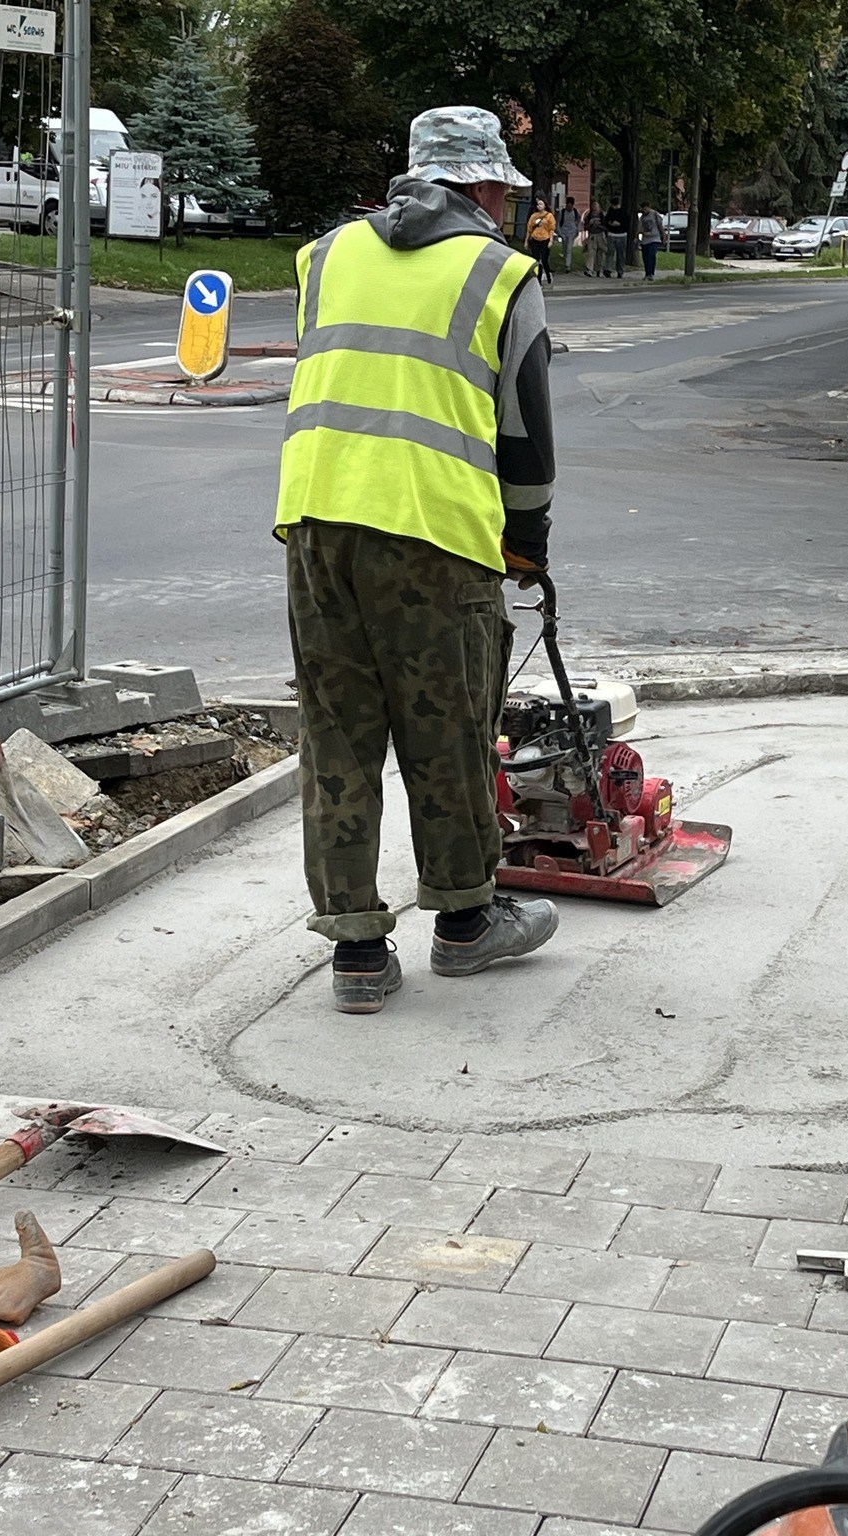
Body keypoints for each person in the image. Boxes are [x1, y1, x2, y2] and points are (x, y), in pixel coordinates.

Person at [276, 105, 562, 1014]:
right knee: (447, 734)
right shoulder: (503, 273)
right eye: (503, 193)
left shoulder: (323, 256)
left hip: (317, 522)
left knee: (339, 739)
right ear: (483, 187)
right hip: (435, 535)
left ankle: (356, 951)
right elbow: (524, 432)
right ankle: (466, 925)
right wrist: (529, 541)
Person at [526, 195, 556, 287]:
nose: (539, 206)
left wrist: (551, 240)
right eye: (538, 204)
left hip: (545, 239)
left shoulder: (549, 216)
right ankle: (538, 280)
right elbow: (529, 229)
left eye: (541, 204)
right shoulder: (533, 216)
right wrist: (526, 241)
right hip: (535, 239)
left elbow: (551, 229)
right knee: (536, 260)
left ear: (545, 205)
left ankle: (548, 274)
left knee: (544, 259)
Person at [638, 202, 665, 280]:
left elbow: (660, 225)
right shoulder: (642, 217)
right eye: (643, 208)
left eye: (646, 208)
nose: (645, 210)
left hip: (654, 238)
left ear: (649, 207)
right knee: (645, 257)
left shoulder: (655, 215)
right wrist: (638, 236)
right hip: (645, 239)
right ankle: (647, 273)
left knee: (651, 254)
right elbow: (639, 227)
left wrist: (663, 235)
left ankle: (651, 273)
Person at [557, 196, 581, 273]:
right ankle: (565, 263)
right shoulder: (562, 212)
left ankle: (568, 265)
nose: (569, 207)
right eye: (568, 205)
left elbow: (579, 222)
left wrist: (577, 230)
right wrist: (559, 232)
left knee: (568, 249)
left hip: (572, 232)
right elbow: (558, 222)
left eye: (571, 205)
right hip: (564, 232)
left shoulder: (576, 212)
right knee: (564, 249)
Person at [585, 202, 609, 278]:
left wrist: (599, 226)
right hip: (592, 235)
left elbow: (606, 227)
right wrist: (591, 224)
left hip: (600, 234)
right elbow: (586, 227)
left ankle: (598, 269)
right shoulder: (589, 216)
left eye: (596, 206)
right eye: (593, 206)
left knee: (600, 253)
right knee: (591, 252)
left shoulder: (602, 216)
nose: (594, 208)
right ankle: (589, 269)